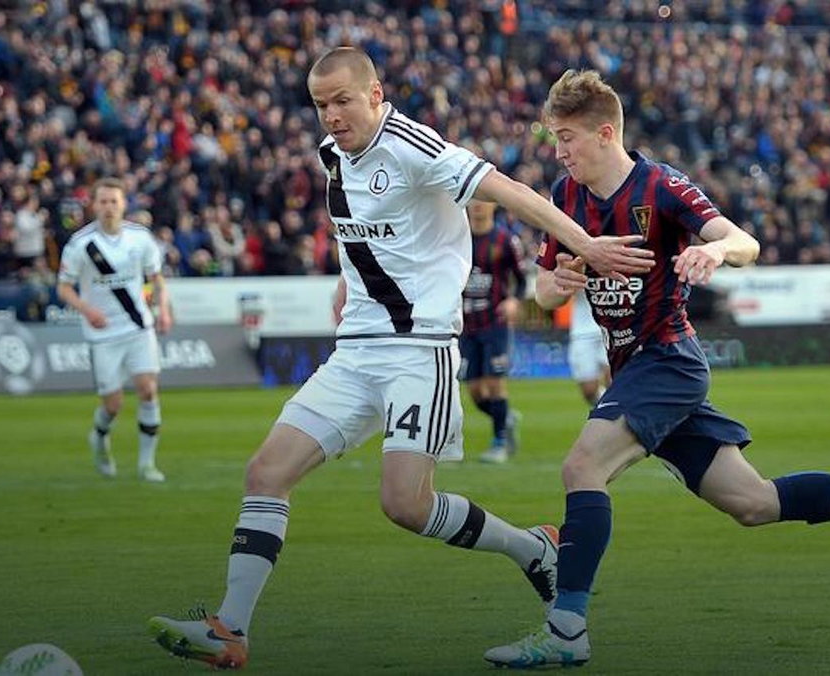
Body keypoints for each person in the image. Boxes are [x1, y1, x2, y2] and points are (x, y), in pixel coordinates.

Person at [146, 48, 654, 670]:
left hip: (419, 352)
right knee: (266, 474)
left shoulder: (413, 144)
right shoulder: (333, 158)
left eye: (342, 101)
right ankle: (231, 628)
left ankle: (531, 549)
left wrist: (585, 245)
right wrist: (346, 282)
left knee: (405, 505)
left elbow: (509, 190)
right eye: (320, 105)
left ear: (375, 95)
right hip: (354, 353)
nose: (330, 116)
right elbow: (361, 234)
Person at [484, 70, 830, 669]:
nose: (558, 150)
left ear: (605, 132)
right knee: (755, 503)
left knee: (582, 465)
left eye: (565, 137)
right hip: (638, 372)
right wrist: (558, 283)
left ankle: (566, 629)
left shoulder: (661, 186)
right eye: (554, 138)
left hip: (666, 360)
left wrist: (712, 249)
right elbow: (545, 288)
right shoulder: (566, 197)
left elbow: (743, 241)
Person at [57, 177, 173, 483]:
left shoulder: (140, 238)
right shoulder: (80, 245)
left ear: (124, 204)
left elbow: (156, 278)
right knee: (114, 403)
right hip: (102, 333)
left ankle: (147, 464)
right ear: (93, 205)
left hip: (138, 327)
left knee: (148, 390)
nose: (109, 207)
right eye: (103, 202)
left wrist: (163, 310)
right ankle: (99, 437)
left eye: (114, 201)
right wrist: (87, 310)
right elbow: (64, 289)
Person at [459, 198, 527, 463]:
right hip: (466, 324)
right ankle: (505, 417)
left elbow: (521, 281)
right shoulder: (456, 237)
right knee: (475, 391)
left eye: (483, 201)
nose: (477, 205)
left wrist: (514, 300)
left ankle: (499, 443)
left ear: (492, 205)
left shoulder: (505, 240)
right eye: (473, 200)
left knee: (495, 383)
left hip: (495, 322)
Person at [566, 290, 610, 408]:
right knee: (589, 391)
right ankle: (605, 408)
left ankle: (614, 415)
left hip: (611, 328)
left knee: (614, 380)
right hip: (582, 332)